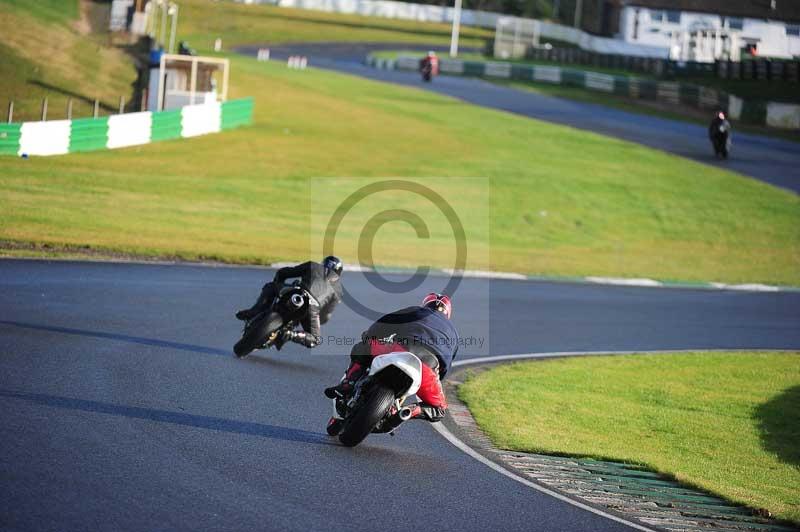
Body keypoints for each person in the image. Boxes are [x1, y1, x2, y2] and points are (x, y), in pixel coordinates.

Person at [324, 293, 458, 435]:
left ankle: (348, 383)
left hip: (400, 348)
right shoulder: (453, 333)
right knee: (439, 409)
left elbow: (386, 323)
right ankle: (408, 411)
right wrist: (433, 380)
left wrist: (369, 336)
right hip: (428, 367)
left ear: (426, 304)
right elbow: (444, 369)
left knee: (362, 347)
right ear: (448, 313)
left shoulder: (417, 311)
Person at [235, 256, 343, 349]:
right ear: (338, 273)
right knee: (315, 339)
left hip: (295, 291)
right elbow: (326, 315)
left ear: (324, 263)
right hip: (312, 307)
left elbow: (283, 272)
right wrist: (316, 318)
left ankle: (254, 311)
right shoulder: (338, 290)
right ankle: (291, 334)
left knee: (271, 286)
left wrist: (279, 283)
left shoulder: (313, 265)